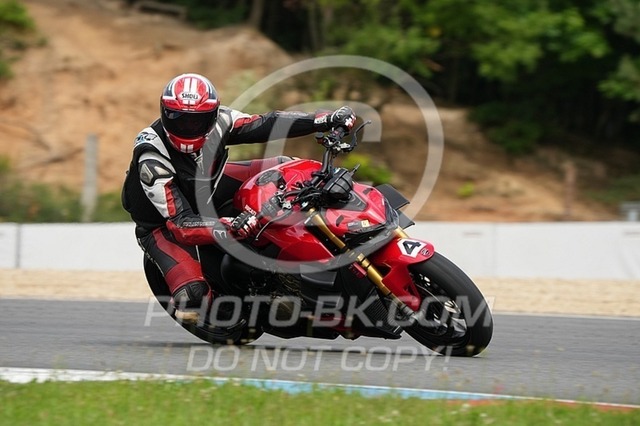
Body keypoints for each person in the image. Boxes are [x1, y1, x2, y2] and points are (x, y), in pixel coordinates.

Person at [121, 72, 356, 326]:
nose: (188, 127)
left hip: (209, 187)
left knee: (286, 168)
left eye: (197, 120)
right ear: (165, 113)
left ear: (212, 115)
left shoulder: (222, 120)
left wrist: (323, 120)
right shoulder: (151, 156)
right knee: (192, 298)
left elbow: (268, 123)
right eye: (179, 119)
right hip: (164, 225)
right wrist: (230, 225)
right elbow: (181, 224)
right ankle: (241, 309)